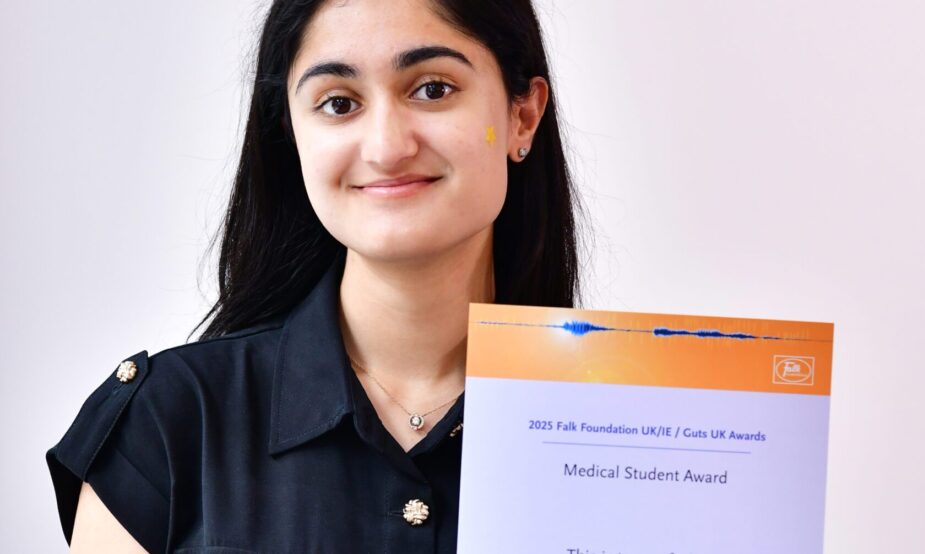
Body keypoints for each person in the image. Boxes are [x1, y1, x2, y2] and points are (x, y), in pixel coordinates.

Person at [46, 0, 585, 551]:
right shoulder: (169, 423)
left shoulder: (633, 428)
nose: (386, 148)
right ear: (293, 132)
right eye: (339, 103)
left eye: (433, 89)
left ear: (522, 116)